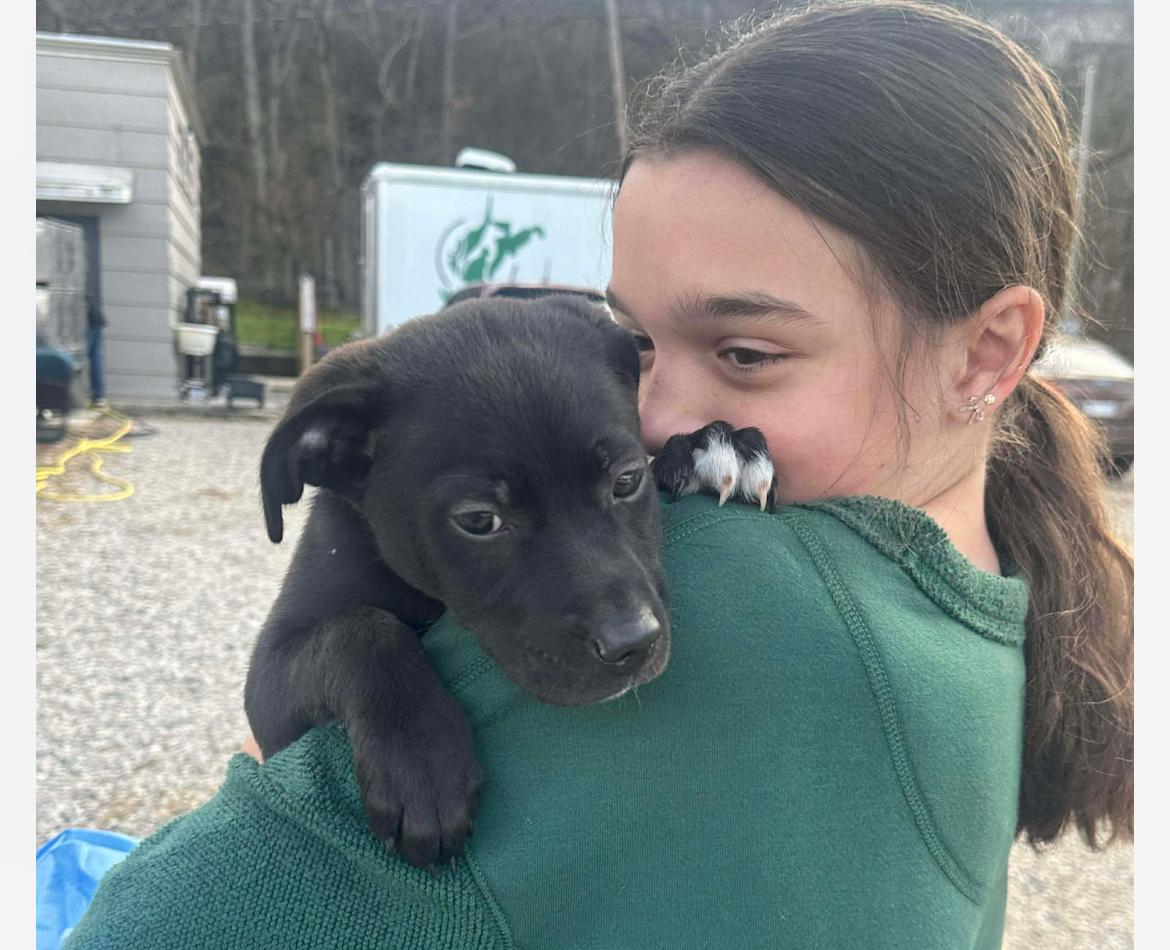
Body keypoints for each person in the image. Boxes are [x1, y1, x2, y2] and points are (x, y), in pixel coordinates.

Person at [65, 3, 1132, 948]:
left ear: (987, 354)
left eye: (746, 352)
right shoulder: (993, 591)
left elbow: (140, 923)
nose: (654, 416)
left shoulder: (762, 607)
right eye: (641, 344)